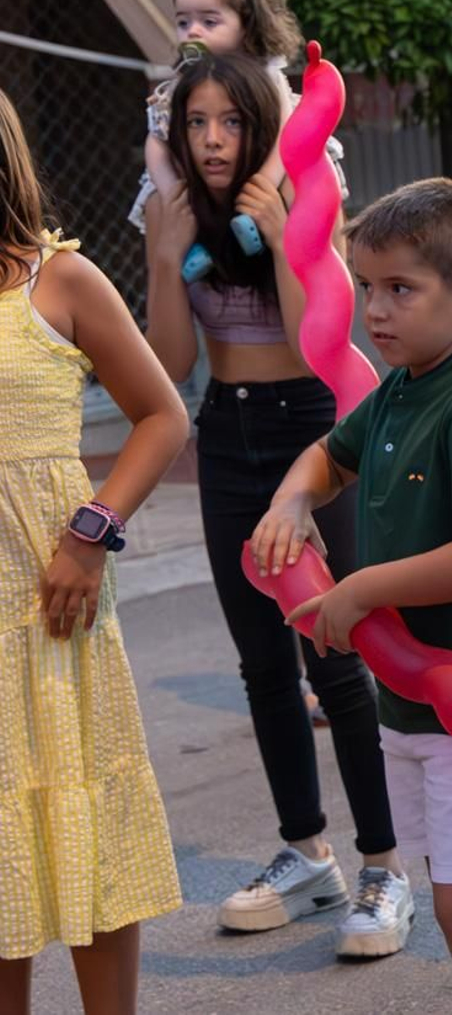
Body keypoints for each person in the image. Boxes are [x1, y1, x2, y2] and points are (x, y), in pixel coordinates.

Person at [252, 178, 452, 1014]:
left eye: (400, 289)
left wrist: (362, 588)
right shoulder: (401, 384)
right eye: (366, 288)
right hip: (415, 695)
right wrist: (292, 500)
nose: (375, 311)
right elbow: (329, 455)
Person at [141, 55, 407, 954]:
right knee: (263, 665)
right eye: (196, 124)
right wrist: (167, 253)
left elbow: (316, 337)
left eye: (230, 122)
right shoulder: (174, 216)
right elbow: (171, 365)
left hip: (312, 428)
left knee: (335, 653)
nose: (213, 140)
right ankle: (308, 853)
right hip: (227, 431)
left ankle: (385, 866)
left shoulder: (303, 191)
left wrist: (289, 228)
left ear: (260, 127)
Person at [0, 86, 188, 1014]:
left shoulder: (57, 281)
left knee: (87, 811)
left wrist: (91, 533)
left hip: (50, 594)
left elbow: (161, 415)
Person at [128, 0, 299, 249]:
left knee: (302, 180)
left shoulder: (267, 73)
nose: (193, 31)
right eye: (183, 22)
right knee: (155, 155)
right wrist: (173, 193)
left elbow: (287, 132)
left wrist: (265, 186)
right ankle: (191, 236)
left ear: (245, 25)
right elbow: (157, 137)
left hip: (265, 176)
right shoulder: (185, 78)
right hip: (200, 184)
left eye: (209, 22)